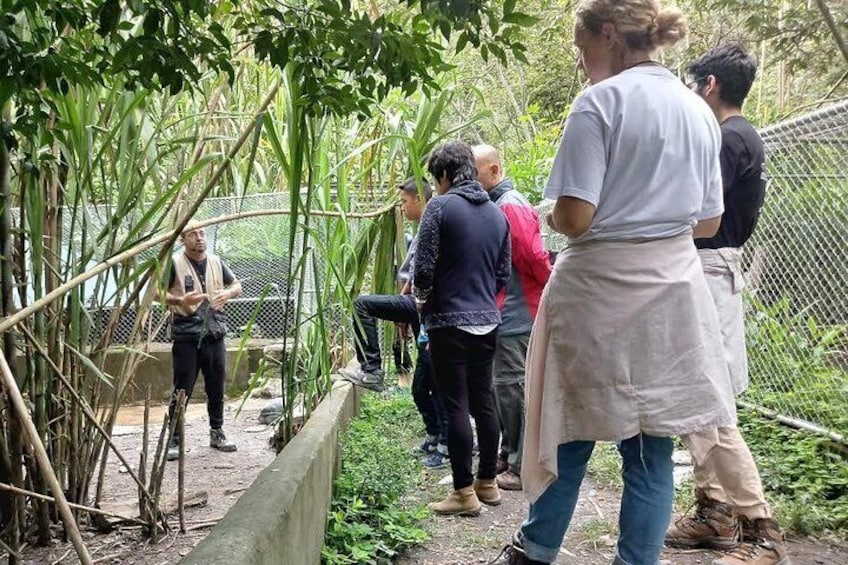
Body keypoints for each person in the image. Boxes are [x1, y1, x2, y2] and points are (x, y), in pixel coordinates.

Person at [493, 1, 736, 563]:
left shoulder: (599, 103)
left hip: (599, 291)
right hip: (673, 292)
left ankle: (535, 550)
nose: (581, 63)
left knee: (569, 428)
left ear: (608, 35)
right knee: (651, 446)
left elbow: (575, 218)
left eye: (582, 49)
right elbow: (709, 222)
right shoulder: (697, 110)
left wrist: (551, 215)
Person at [665, 44, 789, 565]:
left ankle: (763, 532)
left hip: (708, 270)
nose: (693, 93)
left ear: (710, 85)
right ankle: (714, 512)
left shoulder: (723, 138)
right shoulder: (745, 138)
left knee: (710, 405)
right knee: (699, 402)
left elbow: (696, 213)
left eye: (695, 84)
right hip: (716, 270)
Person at [413, 141, 511, 516]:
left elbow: (423, 269)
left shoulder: (440, 207)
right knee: (483, 400)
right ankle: (488, 483)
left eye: (435, 179)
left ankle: (463, 493)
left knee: (455, 404)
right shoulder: (497, 215)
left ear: (443, 175)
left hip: (448, 321)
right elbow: (503, 273)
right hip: (488, 320)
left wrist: (423, 300)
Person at [339, 178, 450, 468]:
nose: (401, 207)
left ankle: (373, 369)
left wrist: (413, 305)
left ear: (419, 200)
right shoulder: (423, 228)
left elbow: (426, 276)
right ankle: (435, 435)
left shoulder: (434, 225)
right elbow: (414, 276)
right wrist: (404, 308)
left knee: (362, 304)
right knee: (423, 384)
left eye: (404, 201)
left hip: (430, 310)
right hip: (416, 308)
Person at [473, 144, 552, 492]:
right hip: (503, 311)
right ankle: (508, 453)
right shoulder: (496, 205)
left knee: (512, 386)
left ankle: (521, 464)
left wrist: (546, 292)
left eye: (474, 172)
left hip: (517, 312)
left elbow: (534, 259)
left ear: (493, 171)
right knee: (500, 386)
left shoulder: (511, 206)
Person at [163, 223, 242, 461]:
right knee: (182, 389)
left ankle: (217, 432)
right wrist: (179, 299)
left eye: (202, 234)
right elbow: (156, 293)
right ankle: (175, 439)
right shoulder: (174, 263)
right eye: (193, 235)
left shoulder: (217, 261)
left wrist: (227, 294)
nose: (199, 238)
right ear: (183, 240)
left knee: (216, 386)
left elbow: (237, 285)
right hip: (187, 336)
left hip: (215, 334)